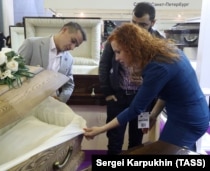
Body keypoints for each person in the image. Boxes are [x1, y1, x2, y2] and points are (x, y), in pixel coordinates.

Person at [85, 23, 210, 152]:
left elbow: (135, 109)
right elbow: (167, 93)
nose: (116, 58)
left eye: (118, 52)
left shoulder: (157, 66)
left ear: (132, 47)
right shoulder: (164, 52)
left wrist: (100, 129)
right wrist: (153, 115)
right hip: (186, 115)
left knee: (166, 154)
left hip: (188, 120)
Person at [99, 2, 164, 155]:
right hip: (118, 97)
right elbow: (104, 65)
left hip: (143, 99)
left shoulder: (159, 42)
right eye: (133, 22)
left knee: (136, 143)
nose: (136, 28)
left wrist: (147, 82)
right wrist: (107, 92)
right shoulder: (119, 36)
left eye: (142, 25)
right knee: (114, 141)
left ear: (152, 23)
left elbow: (162, 74)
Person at [18, 22, 87, 103]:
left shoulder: (69, 59)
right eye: (73, 41)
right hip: (26, 101)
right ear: (64, 30)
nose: (72, 47)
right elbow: (16, 73)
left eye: (76, 45)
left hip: (51, 103)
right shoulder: (31, 44)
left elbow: (69, 85)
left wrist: (61, 99)